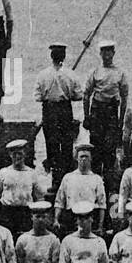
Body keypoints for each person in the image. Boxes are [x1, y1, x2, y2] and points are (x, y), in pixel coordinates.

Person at [82, 41, 129, 186]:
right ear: (100, 54)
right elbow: (86, 95)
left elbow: (124, 97)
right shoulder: (95, 72)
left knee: (110, 149)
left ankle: (110, 185)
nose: (107, 55)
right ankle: (95, 182)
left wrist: (121, 120)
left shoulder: (119, 73)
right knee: (96, 149)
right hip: (97, 112)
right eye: (104, 52)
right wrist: (87, 117)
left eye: (109, 52)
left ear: (113, 53)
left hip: (111, 113)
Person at [34, 42, 82, 179]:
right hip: (64, 109)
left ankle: (56, 179)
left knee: (52, 144)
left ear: (51, 56)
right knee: (66, 144)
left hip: (49, 110)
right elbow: (78, 95)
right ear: (64, 56)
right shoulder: (70, 74)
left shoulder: (43, 74)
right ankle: (65, 176)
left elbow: (37, 96)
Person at [54, 143, 108, 233]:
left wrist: (100, 226)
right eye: (81, 156)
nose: (83, 159)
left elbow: (102, 204)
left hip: (89, 218)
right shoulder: (68, 177)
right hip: (71, 219)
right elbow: (59, 202)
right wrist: (56, 220)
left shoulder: (96, 179)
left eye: (86, 157)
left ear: (91, 158)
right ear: (76, 158)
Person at [0, 139, 44, 233]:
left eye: (20, 154)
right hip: (7, 213)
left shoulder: (32, 173)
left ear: (24, 154)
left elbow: (39, 197)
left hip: (25, 213)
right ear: (10, 155)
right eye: (14, 154)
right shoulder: (4, 172)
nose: (17, 157)